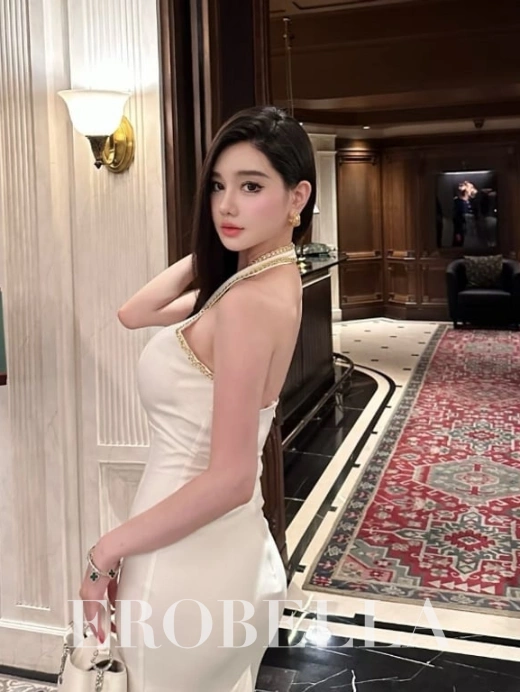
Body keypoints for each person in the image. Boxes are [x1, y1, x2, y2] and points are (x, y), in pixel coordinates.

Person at [78, 105, 316, 691]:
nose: (226, 205)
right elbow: (135, 312)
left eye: (251, 186)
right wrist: (220, 247)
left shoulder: (247, 303)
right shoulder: (261, 284)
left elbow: (230, 477)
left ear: (297, 196)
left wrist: (103, 554)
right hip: (226, 547)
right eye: (217, 186)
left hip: (183, 559)